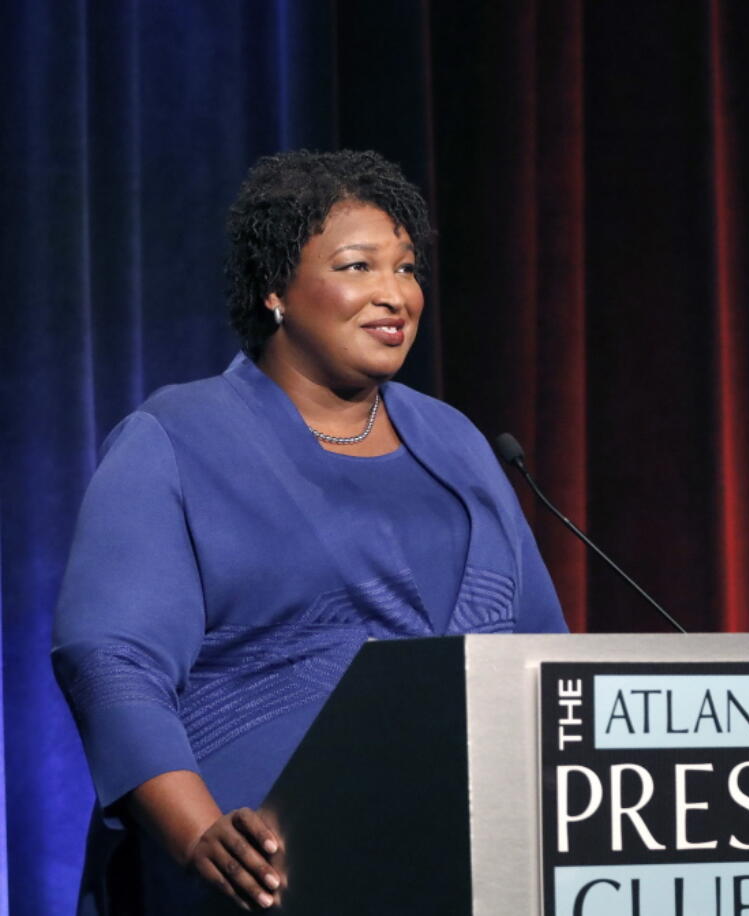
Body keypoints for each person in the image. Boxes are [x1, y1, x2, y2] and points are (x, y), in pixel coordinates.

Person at [52, 149, 568, 914]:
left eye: (407, 269)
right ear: (275, 290)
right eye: (359, 267)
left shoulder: (458, 443)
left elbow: (541, 658)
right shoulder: (179, 437)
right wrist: (196, 834)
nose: (396, 295)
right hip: (262, 884)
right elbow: (111, 659)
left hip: (475, 868)